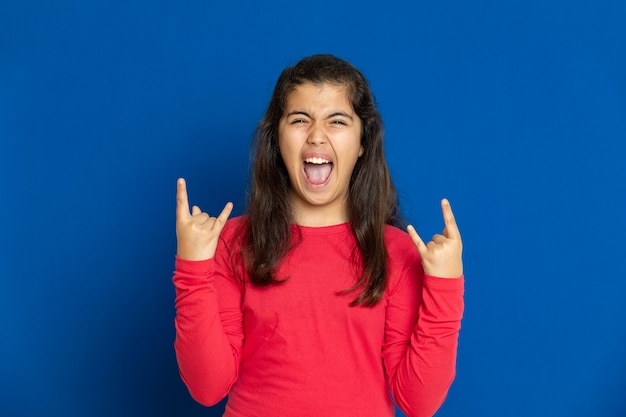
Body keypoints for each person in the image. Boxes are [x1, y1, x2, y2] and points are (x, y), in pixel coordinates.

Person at [173, 54, 464, 417]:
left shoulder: (397, 252)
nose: (316, 136)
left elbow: (419, 402)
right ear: (277, 138)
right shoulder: (232, 242)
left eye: (337, 121)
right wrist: (192, 268)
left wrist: (446, 286)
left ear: (362, 143)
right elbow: (207, 387)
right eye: (299, 119)